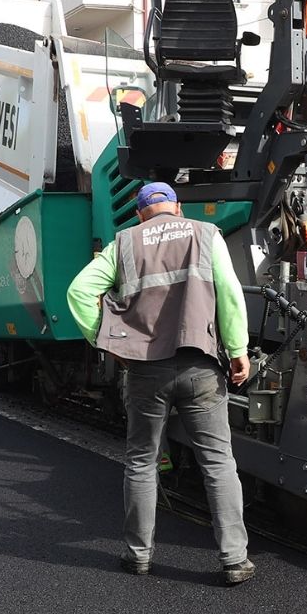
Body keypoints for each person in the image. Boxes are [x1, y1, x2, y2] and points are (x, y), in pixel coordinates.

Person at [67, 181, 255, 585]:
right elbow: (229, 292)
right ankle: (234, 560)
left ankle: (138, 557)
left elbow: (80, 291)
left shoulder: (125, 243)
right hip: (201, 365)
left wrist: (107, 340)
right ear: (178, 208)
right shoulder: (205, 234)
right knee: (219, 463)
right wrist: (239, 349)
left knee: (141, 461)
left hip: (146, 370)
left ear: (139, 213)